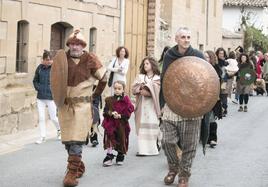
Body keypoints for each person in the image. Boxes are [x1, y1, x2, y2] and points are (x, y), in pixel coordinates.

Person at [51, 29, 107, 187]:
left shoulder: (90, 59)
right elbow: (55, 80)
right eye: (72, 44)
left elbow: (103, 78)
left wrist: (96, 95)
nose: (75, 47)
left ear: (83, 46)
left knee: (76, 141)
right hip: (65, 106)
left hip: (82, 106)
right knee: (68, 141)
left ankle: (71, 174)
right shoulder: (62, 59)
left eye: (78, 44)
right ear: (69, 45)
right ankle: (78, 166)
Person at [160, 27, 204, 187]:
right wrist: (162, 103)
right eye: (183, 37)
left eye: (188, 37)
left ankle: (184, 175)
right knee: (167, 141)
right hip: (172, 104)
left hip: (193, 106)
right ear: (176, 39)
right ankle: (173, 167)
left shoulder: (198, 55)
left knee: (189, 145)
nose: (186, 40)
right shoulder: (169, 56)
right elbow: (164, 79)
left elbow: (206, 80)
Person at [132, 57, 162, 156]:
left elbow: (158, 90)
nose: (145, 65)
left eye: (147, 63)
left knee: (152, 126)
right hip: (142, 105)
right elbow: (134, 88)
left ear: (152, 65)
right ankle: (143, 150)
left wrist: (149, 89)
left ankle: (154, 148)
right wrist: (141, 87)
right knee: (142, 127)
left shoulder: (158, 78)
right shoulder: (140, 77)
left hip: (153, 106)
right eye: (144, 64)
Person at [102, 80, 134, 166]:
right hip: (111, 123)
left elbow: (128, 112)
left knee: (120, 138)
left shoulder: (126, 100)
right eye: (115, 88)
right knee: (110, 138)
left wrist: (120, 116)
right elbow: (105, 111)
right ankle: (109, 155)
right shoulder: (109, 100)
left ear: (123, 90)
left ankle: (120, 154)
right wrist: (111, 113)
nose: (117, 90)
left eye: (119, 88)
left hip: (121, 124)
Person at [33, 50, 61, 144]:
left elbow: (58, 82)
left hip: (51, 97)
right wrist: (38, 88)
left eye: (50, 59)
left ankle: (59, 130)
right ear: (43, 60)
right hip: (40, 97)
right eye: (47, 59)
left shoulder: (55, 69)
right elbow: (35, 80)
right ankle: (42, 136)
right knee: (41, 117)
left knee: (53, 117)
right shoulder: (39, 68)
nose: (49, 61)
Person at [203, 51, 223, 148]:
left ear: (211, 58)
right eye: (204, 56)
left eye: (207, 57)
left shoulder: (216, 69)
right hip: (200, 97)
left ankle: (213, 138)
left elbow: (218, 85)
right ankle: (204, 137)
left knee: (211, 118)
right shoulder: (199, 68)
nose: (204, 58)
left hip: (212, 97)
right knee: (202, 118)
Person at [216, 47, 229, 117]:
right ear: (217, 54)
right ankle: (219, 110)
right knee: (218, 96)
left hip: (224, 81)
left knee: (224, 95)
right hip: (217, 81)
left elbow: (228, 73)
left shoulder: (226, 63)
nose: (221, 55)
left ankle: (224, 109)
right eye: (220, 53)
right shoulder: (215, 62)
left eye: (222, 53)